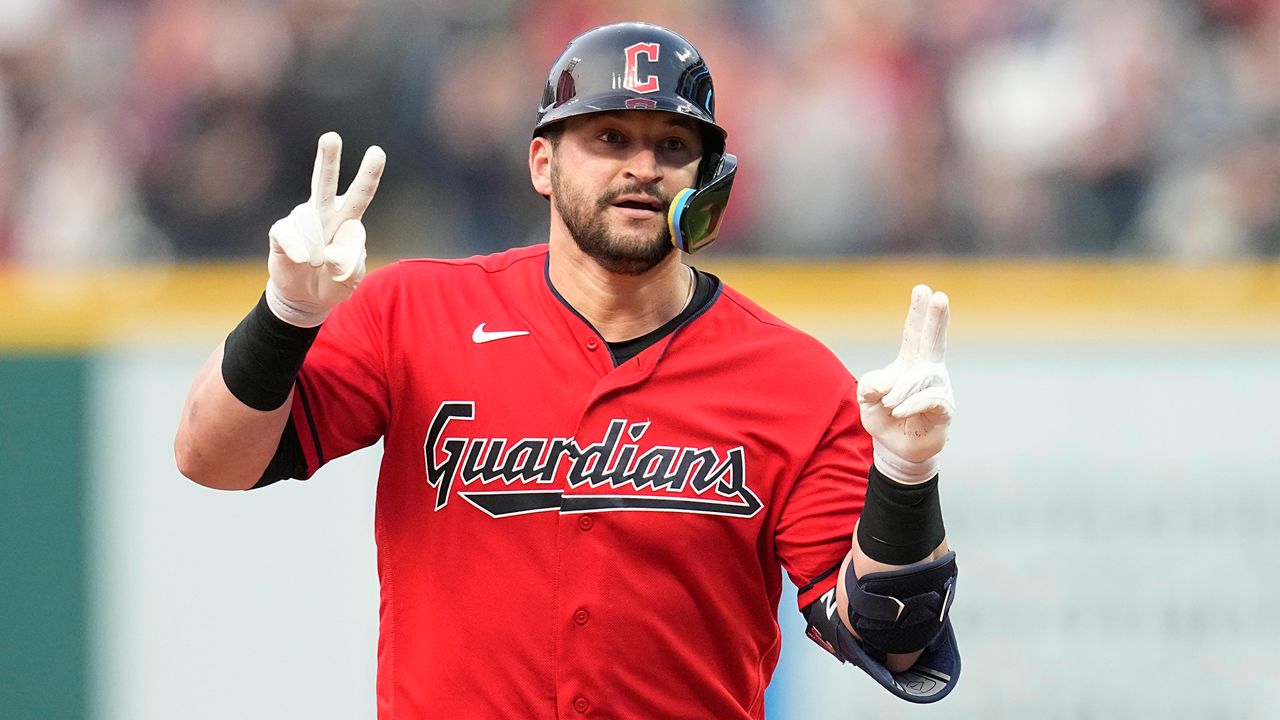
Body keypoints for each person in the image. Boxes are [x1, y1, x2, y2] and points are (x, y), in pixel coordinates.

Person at [174, 21, 960, 719]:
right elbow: (211, 458)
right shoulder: (416, 312)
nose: (643, 167)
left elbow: (889, 643)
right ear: (543, 163)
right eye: (609, 139)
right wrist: (285, 316)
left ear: (709, 180)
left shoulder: (791, 378)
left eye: (672, 146)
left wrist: (905, 476)